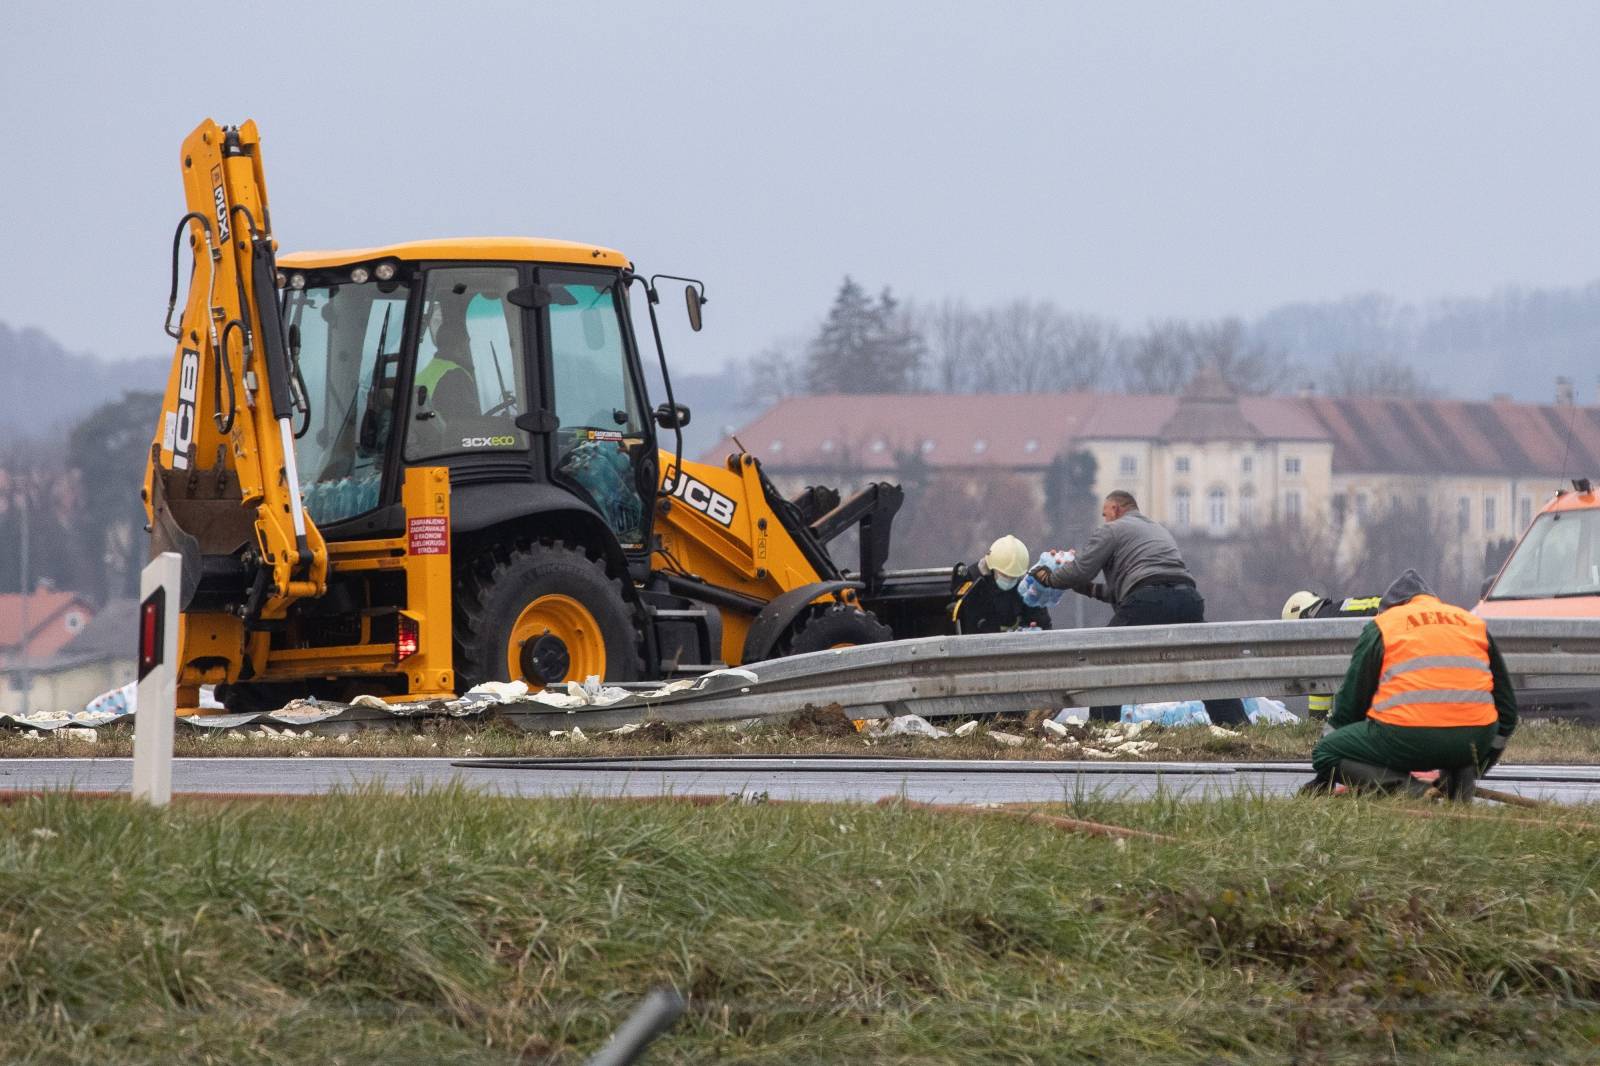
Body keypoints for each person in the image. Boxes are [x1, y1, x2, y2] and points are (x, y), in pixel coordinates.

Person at [1034, 490, 1249, 725]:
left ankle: (1103, 727)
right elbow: (1129, 590)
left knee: (1105, 656)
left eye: (1105, 514)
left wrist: (1049, 578)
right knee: (1205, 662)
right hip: (1188, 599)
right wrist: (1087, 589)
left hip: (1149, 599)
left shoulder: (1112, 530)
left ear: (1116, 509)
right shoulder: (1157, 530)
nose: (1104, 520)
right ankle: (1234, 723)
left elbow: (1082, 570)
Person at [1302, 569, 1517, 798]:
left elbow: (1350, 709)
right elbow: (1508, 712)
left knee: (1326, 751)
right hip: (1472, 741)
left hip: (1406, 737)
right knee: (1459, 738)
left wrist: (1325, 776)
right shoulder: (1470, 622)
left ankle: (1412, 791)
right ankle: (1458, 785)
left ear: (1390, 606)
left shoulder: (1384, 625)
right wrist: (1479, 764)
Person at [1281, 590, 1382, 719]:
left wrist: (1316, 722)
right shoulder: (1335, 612)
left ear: (1303, 618)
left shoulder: (1318, 627)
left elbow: (1320, 680)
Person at [951, 535, 1052, 634]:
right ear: (992, 568)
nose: (1009, 580)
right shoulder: (971, 581)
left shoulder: (1027, 588)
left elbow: (1043, 625)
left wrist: (1034, 631)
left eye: (1013, 577)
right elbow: (959, 618)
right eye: (1004, 575)